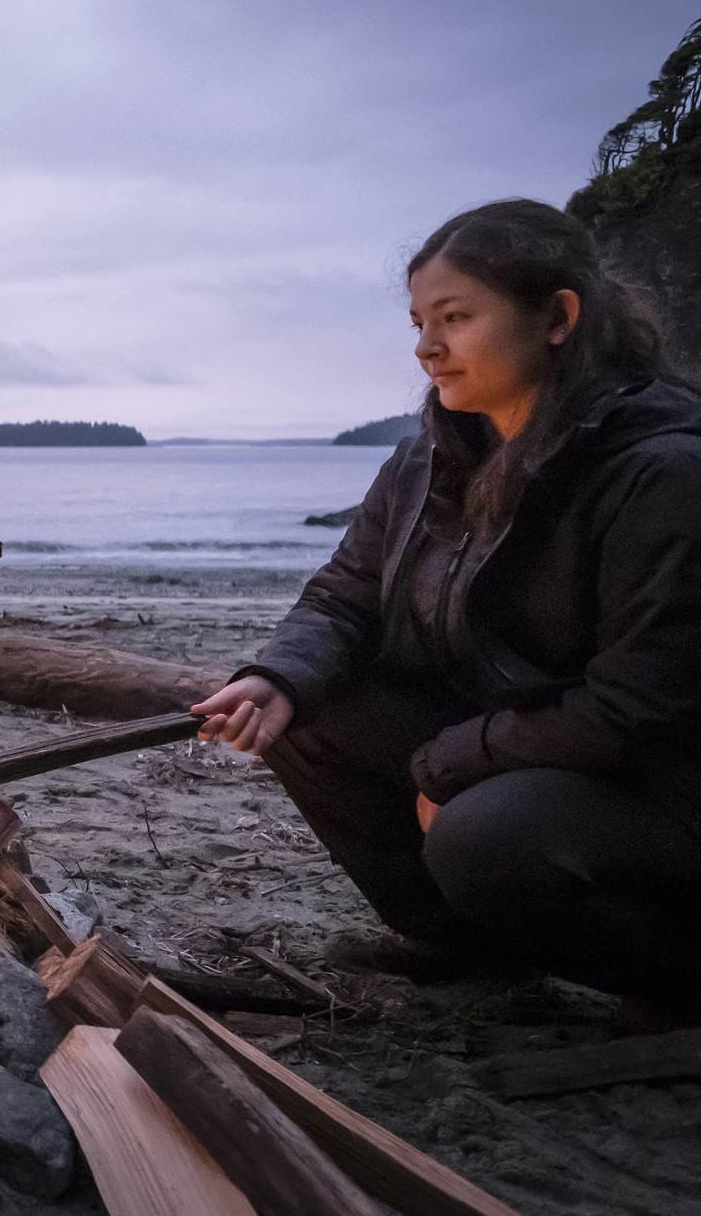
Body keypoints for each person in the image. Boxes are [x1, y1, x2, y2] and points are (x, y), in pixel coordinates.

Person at [193, 198, 701, 1009]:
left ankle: (672, 979)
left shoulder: (658, 472)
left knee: (482, 836)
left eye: (455, 318)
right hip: (520, 736)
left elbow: (639, 710)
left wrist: (450, 763)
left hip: (655, 781)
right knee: (307, 711)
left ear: (558, 317)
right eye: (418, 323)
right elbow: (345, 595)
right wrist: (276, 677)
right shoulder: (428, 456)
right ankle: (471, 953)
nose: (428, 348)